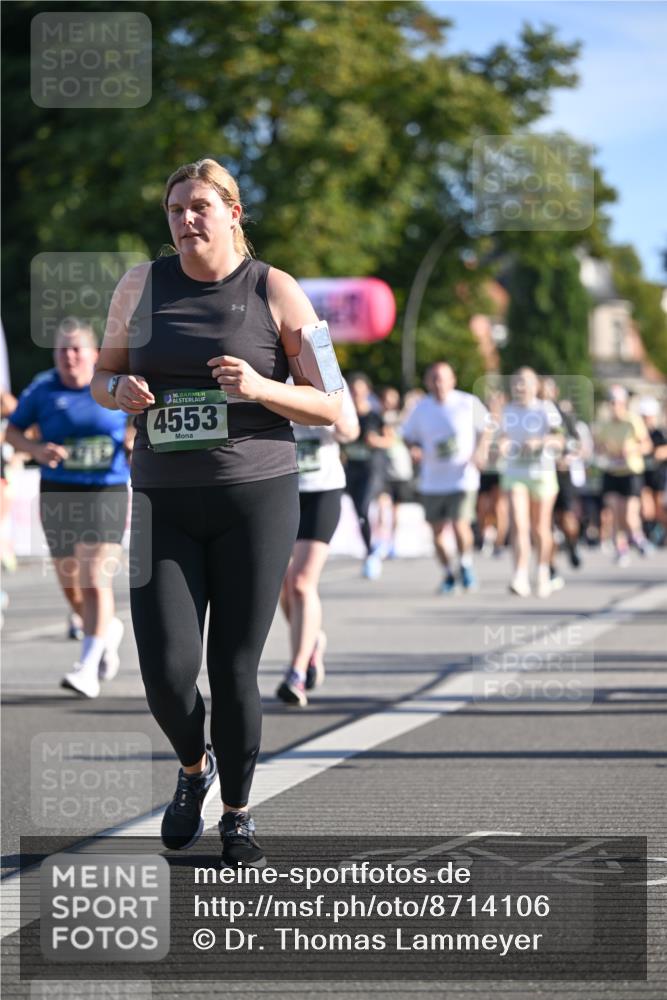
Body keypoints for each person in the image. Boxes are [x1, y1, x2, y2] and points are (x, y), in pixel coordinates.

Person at [91, 158, 342, 869]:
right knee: (166, 674)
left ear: (234, 213)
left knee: (232, 670)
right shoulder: (140, 284)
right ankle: (192, 769)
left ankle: (236, 814)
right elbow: (103, 379)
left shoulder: (276, 290)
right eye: (175, 209)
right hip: (164, 499)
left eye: (200, 205)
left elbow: (331, 404)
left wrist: (263, 386)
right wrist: (121, 390)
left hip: (254, 500)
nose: (185, 219)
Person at [5, 320, 129, 693]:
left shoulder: (111, 384)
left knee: (95, 580)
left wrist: (133, 439)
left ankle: (87, 667)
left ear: (94, 355)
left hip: (106, 491)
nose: (69, 357)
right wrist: (36, 450)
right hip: (58, 491)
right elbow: (12, 430)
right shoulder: (43, 388)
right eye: (62, 349)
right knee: (71, 587)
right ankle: (108, 630)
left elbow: (138, 420)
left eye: (77, 349)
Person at [277, 379, 359, 707]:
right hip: (280, 488)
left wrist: (329, 413)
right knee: (281, 586)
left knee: (300, 582)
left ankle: (297, 672)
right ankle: (311, 641)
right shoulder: (269, 374)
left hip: (322, 490)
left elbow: (351, 431)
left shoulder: (330, 379)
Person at [401, 361, 489, 594]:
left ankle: (466, 564)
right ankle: (449, 572)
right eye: (434, 378)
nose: (439, 383)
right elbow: (407, 436)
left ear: (453, 380)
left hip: (462, 476)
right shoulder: (421, 408)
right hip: (433, 479)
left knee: (460, 525)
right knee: (438, 534)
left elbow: (487, 428)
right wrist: (413, 448)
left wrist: (480, 452)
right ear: (428, 382)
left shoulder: (467, 403)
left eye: (443, 378)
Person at [499, 367, 563, 598]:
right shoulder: (507, 410)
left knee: (540, 527)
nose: (520, 387)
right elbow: (503, 436)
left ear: (536, 386)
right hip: (516, 472)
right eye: (516, 382)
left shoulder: (546, 410)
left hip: (542, 474)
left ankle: (544, 572)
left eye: (524, 383)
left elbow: (560, 439)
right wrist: (504, 444)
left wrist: (541, 441)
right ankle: (520, 575)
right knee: (519, 523)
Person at [344, 373, 393, 579]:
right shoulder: (344, 415)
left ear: (367, 391)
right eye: (353, 391)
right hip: (352, 468)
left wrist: (377, 441)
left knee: (364, 506)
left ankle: (373, 552)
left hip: (371, 469)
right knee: (359, 512)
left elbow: (390, 440)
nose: (356, 394)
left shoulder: (375, 415)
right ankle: (370, 550)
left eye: (360, 390)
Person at [595, 385, 651, 564]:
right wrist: (604, 449)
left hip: (630, 472)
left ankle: (637, 535)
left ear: (623, 403)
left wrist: (632, 449)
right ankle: (622, 548)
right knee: (615, 511)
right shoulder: (605, 424)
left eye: (616, 402)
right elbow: (598, 446)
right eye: (611, 402)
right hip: (612, 471)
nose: (614, 406)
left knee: (629, 515)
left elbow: (646, 445)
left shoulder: (632, 421)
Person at [638, 397, 667, 546]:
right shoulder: (638, 433)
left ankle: (660, 534)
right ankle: (648, 535)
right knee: (646, 509)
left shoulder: (659, 433)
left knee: (658, 509)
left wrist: (655, 451)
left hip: (658, 475)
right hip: (643, 476)